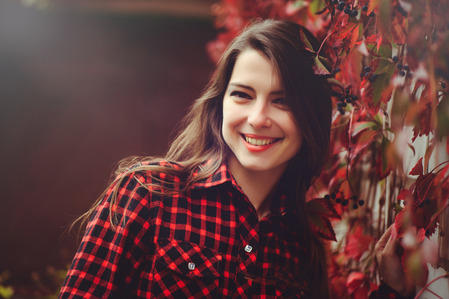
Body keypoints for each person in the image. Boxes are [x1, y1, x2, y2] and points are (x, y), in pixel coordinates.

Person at [59, 19, 413, 298]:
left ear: (311, 117)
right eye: (243, 95)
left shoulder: (300, 248)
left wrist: (393, 290)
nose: (258, 118)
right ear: (220, 104)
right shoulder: (147, 194)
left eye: (282, 100)